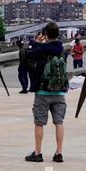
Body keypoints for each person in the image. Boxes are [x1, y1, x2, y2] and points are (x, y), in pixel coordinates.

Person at [24, 22, 68, 163]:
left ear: (46, 35)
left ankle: (38, 153)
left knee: (39, 123)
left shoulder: (42, 49)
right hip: (59, 91)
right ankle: (59, 153)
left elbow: (29, 56)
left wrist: (35, 43)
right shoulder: (62, 49)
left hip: (43, 92)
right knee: (59, 122)